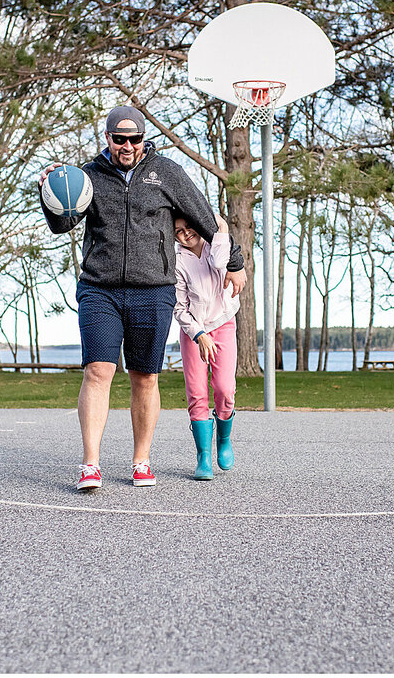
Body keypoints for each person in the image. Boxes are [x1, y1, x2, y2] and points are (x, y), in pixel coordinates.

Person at [38, 106, 247, 491]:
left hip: (153, 289)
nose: (128, 146)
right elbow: (62, 224)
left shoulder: (166, 171)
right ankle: (90, 464)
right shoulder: (89, 176)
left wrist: (234, 261)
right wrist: (48, 191)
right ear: (108, 139)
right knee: (98, 370)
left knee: (145, 377)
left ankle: (141, 461)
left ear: (143, 138)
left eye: (135, 139)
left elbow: (204, 216)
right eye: (120, 140)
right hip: (100, 288)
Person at [173, 213, 240, 481]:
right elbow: (179, 308)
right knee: (197, 393)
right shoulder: (177, 260)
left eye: (189, 227)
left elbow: (221, 262)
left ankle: (223, 440)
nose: (186, 233)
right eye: (178, 230)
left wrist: (220, 226)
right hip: (194, 332)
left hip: (223, 324)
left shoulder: (215, 246)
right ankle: (203, 456)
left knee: (225, 389)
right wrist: (199, 334)